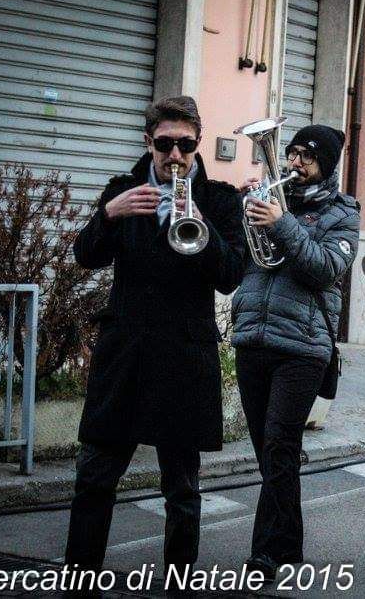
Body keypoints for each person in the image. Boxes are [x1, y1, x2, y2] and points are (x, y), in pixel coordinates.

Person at [65, 96, 246, 581]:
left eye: (185, 145)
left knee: (182, 491)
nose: (175, 155)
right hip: (125, 357)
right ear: (148, 142)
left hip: (184, 358)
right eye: (164, 143)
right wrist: (109, 214)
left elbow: (231, 276)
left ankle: (179, 585)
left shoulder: (221, 200)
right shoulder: (122, 191)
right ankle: (78, 581)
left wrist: (203, 228)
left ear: (197, 145)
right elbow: (85, 256)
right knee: (94, 480)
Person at [230, 125, 360, 578]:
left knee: (280, 445)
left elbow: (325, 268)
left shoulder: (343, 214)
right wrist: (239, 212)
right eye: (291, 154)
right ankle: (290, 545)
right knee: (270, 454)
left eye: (307, 157)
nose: (295, 163)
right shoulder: (267, 199)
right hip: (252, 337)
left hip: (303, 348)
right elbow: (238, 266)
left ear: (327, 164)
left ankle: (264, 554)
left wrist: (282, 223)